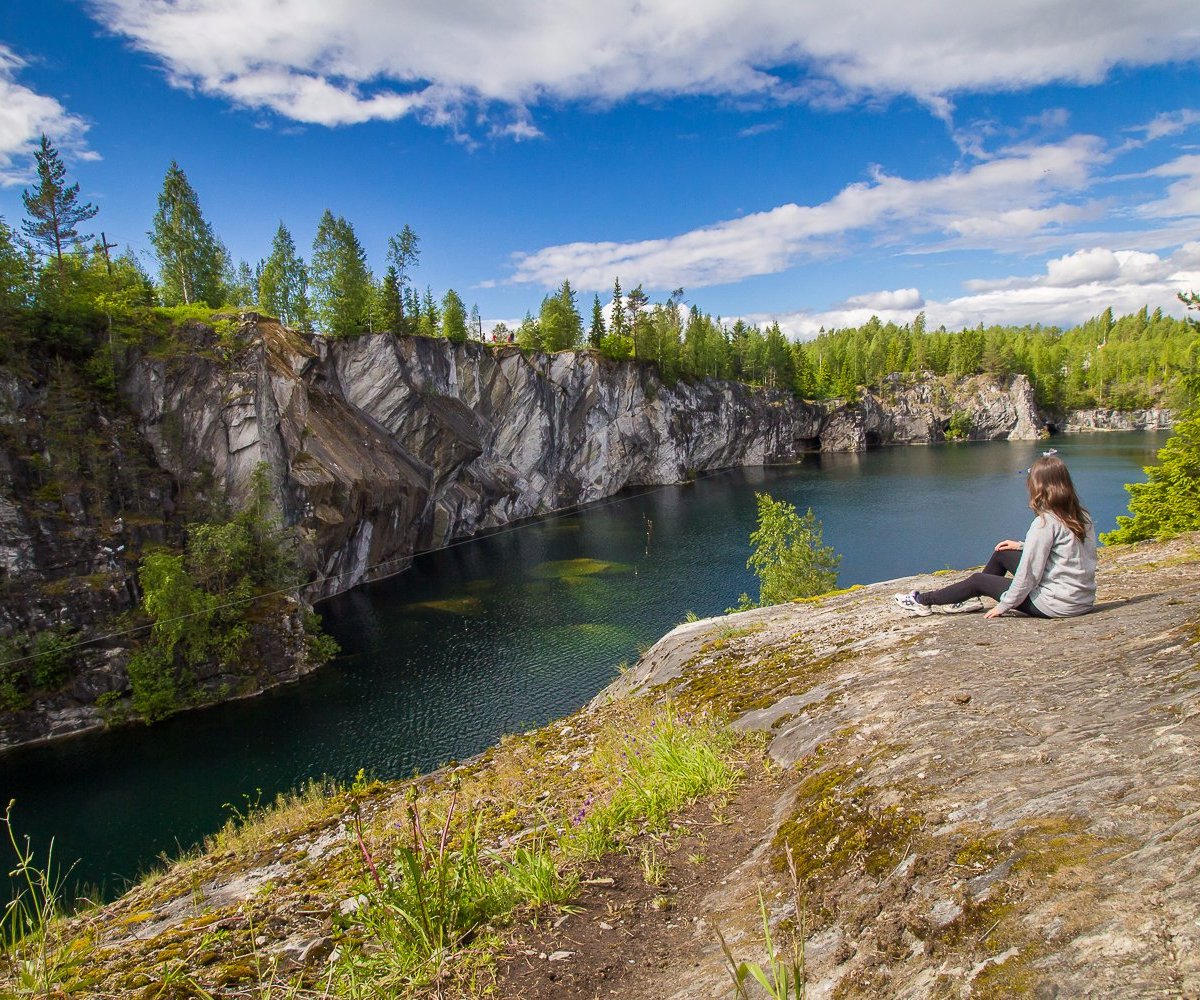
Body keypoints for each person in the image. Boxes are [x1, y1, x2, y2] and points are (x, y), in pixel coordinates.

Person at [893, 454, 1097, 620]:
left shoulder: (1044, 523)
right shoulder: (1081, 514)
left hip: (1055, 604)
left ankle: (922, 601)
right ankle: (967, 600)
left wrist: (1005, 605)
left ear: (1038, 486)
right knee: (1003, 554)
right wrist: (1021, 546)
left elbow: (1029, 574)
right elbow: (1069, 551)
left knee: (978, 580)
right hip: (1081, 599)